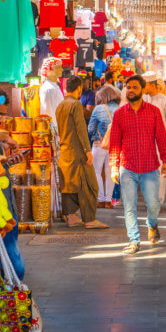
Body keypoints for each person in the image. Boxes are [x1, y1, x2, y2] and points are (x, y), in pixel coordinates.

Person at [109, 75, 166, 255]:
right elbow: (114, 143)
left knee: (153, 204)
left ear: (143, 90)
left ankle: (152, 224)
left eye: (135, 87)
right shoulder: (119, 114)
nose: (130, 90)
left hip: (150, 167)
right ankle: (134, 240)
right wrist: (114, 166)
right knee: (129, 206)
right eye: (128, 87)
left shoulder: (153, 112)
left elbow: (161, 138)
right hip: (127, 167)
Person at [55, 76, 109, 229]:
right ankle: (90, 219)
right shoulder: (76, 104)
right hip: (77, 151)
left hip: (65, 151)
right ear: (78, 88)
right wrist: (87, 151)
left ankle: (71, 217)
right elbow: (81, 130)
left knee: (69, 186)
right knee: (89, 185)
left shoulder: (61, 105)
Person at [142, 71, 166, 204]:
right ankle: (149, 198)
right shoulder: (142, 99)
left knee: (160, 170)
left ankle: (158, 199)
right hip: (144, 141)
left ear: (152, 85)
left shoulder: (165, 101)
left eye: (144, 85)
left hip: (160, 142)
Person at [87, 83, 121, 208]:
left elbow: (90, 129)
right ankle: (108, 200)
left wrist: (97, 133)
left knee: (96, 171)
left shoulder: (99, 109)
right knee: (110, 171)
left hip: (99, 144)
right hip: (115, 146)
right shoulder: (119, 108)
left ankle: (100, 199)